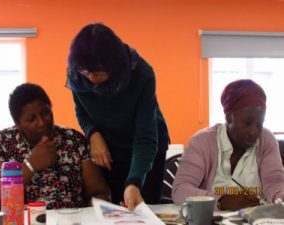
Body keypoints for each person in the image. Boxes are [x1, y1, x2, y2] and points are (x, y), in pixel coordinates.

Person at [66, 23, 169, 210]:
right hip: (109, 151)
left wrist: (134, 182)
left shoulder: (142, 74)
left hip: (145, 149)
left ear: (113, 66)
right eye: (85, 71)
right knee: (114, 208)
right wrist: (93, 134)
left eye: (97, 73)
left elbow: (145, 138)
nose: (90, 78)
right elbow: (81, 111)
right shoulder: (77, 72)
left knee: (143, 207)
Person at [0, 83, 110, 210]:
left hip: (70, 219)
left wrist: (92, 218)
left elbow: (99, 192)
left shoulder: (74, 139)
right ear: (18, 124)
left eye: (45, 112)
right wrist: (30, 165)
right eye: (32, 119)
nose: (42, 122)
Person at [172, 79, 284, 211]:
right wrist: (220, 200)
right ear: (229, 117)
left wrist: (281, 197)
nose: (254, 131)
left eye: (259, 123)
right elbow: (180, 190)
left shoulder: (266, 140)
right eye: (247, 122)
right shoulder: (202, 141)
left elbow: (275, 183)